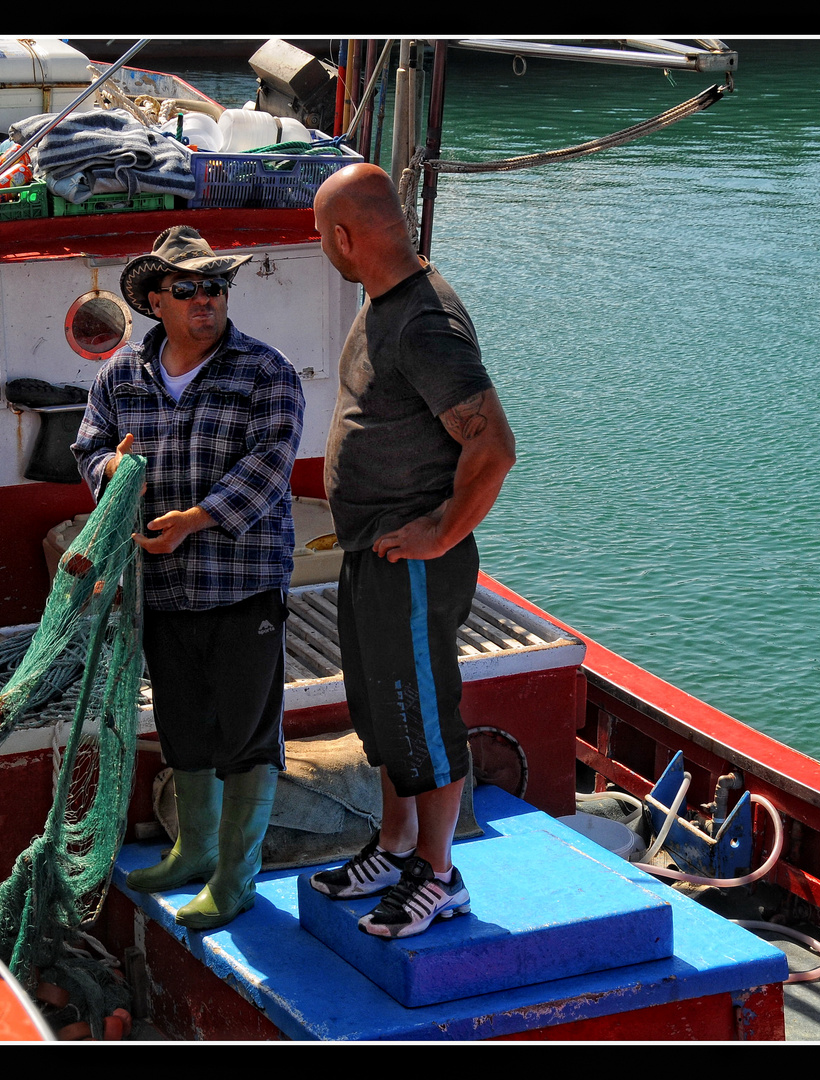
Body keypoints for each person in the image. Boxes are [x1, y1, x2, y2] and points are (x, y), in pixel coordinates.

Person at [73, 225, 305, 931]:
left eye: (216, 287)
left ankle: (235, 878)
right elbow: (87, 446)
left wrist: (193, 520)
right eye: (188, 288)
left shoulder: (266, 372)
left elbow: (270, 466)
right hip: (160, 590)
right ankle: (193, 852)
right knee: (183, 726)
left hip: (241, 583)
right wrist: (110, 469)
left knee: (245, 735)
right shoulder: (119, 376)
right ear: (153, 299)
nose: (206, 299)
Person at [308, 163, 517, 939]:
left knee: (421, 714)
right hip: (373, 550)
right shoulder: (383, 304)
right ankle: (395, 847)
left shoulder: (425, 323)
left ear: (343, 237)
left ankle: (438, 872)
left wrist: (441, 530)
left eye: (319, 238)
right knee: (382, 711)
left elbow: (492, 447)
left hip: (414, 559)